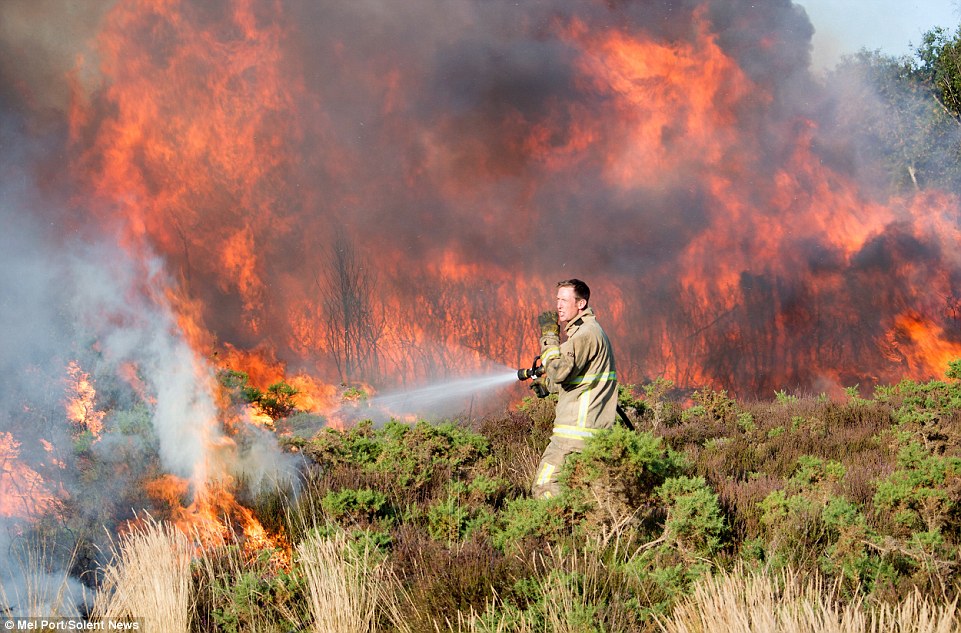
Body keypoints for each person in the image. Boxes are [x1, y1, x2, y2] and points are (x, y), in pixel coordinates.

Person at [531, 279, 618, 499]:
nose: (558, 305)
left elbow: (559, 371)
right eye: (557, 299)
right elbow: (577, 378)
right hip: (590, 433)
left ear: (581, 304)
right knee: (586, 495)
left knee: (545, 486)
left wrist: (550, 338)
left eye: (564, 300)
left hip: (573, 435)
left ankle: (551, 530)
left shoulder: (585, 334)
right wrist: (548, 385)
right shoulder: (588, 331)